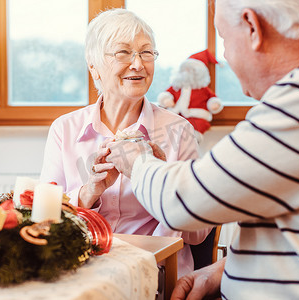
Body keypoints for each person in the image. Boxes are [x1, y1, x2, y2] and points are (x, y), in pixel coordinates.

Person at [106, 0, 299, 299]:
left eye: (225, 39)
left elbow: (185, 203)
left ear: (253, 27)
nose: (225, 55)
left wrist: (138, 160)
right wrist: (225, 269)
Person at [40, 8, 210, 277]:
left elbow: (198, 234)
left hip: (158, 274)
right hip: (82, 272)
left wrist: (162, 181)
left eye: (146, 52)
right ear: (93, 65)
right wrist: (89, 192)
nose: (138, 64)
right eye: (123, 52)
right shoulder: (65, 130)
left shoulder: (179, 131)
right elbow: (43, 222)